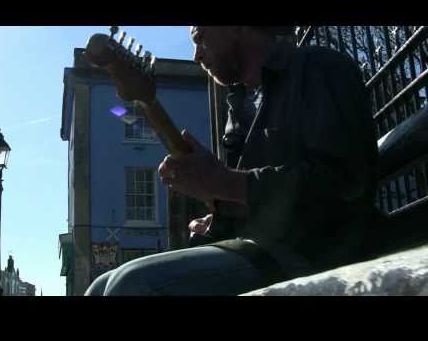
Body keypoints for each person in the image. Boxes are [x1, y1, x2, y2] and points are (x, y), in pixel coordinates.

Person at [85, 26, 378, 296]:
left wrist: (224, 182)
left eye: (200, 38)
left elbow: (343, 182)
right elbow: (249, 203)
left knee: (132, 284)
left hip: (315, 253)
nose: (196, 54)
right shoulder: (237, 107)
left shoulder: (318, 67)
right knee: (100, 286)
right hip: (259, 248)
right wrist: (215, 217)